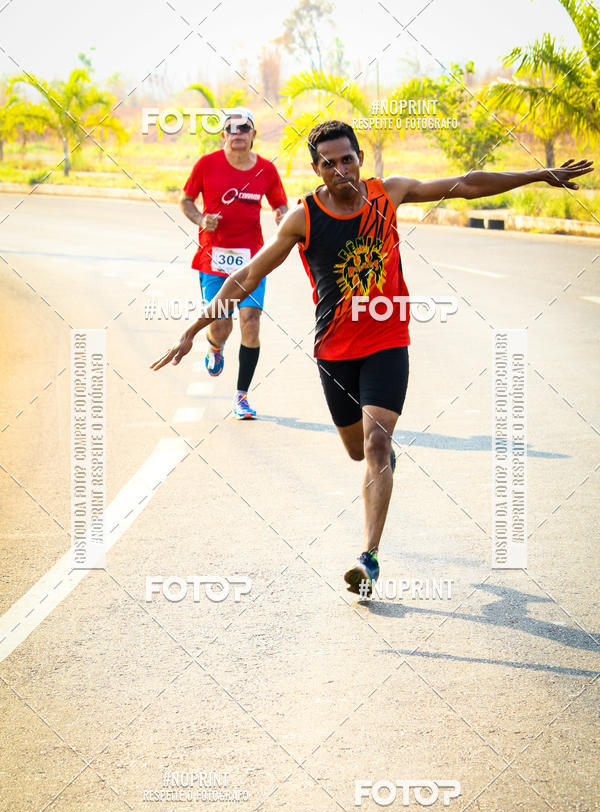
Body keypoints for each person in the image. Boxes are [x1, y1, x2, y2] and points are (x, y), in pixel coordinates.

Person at [153, 120, 593, 595]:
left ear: (360, 157)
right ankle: (378, 465)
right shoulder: (301, 217)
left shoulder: (390, 194)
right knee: (358, 450)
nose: (340, 169)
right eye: (329, 163)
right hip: (334, 351)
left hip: (387, 341)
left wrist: (538, 175)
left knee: (378, 443)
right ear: (316, 169)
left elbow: (465, 184)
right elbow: (245, 277)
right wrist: (193, 330)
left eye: (348, 159)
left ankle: (368, 558)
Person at [179, 106, 288, 419]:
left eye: (244, 128)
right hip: (213, 259)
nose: (238, 133)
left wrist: (280, 215)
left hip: (252, 261)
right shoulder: (207, 164)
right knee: (222, 325)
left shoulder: (266, 170)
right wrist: (201, 219)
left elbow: (279, 204)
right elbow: (185, 200)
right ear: (223, 134)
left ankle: (241, 396)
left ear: (253, 135)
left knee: (251, 323)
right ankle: (215, 346)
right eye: (232, 128)